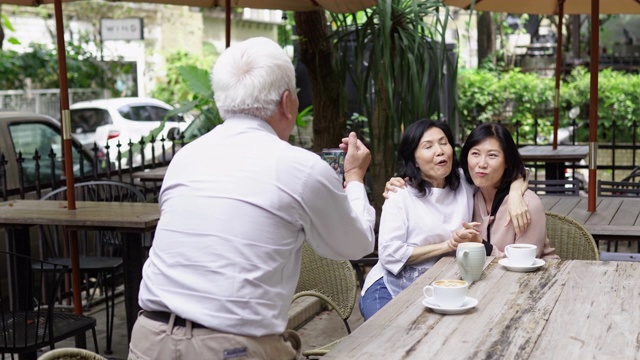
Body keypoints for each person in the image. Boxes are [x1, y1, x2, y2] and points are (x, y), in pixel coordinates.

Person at [128, 37, 376, 360]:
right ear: (287, 102)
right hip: (231, 347)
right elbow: (357, 244)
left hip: (149, 337)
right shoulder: (298, 167)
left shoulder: (184, 159)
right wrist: (355, 177)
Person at [359, 119, 529, 321]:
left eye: (443, 142)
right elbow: (389, 254)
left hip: (441, 283)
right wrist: (447, 245)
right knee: (390, 336)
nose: (439, 150)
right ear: (414, 159)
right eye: (428, 146)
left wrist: (516, 192)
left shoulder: (463, 182)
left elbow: (512, 170)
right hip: (388, 286)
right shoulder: (400, 194)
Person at [459, 123, 559, 258]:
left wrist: (483, 246)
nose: (482, 164)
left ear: (507, 161)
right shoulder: (468, 194)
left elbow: (523, 263)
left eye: (492, 155)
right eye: (475, 154)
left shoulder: (527, 205)